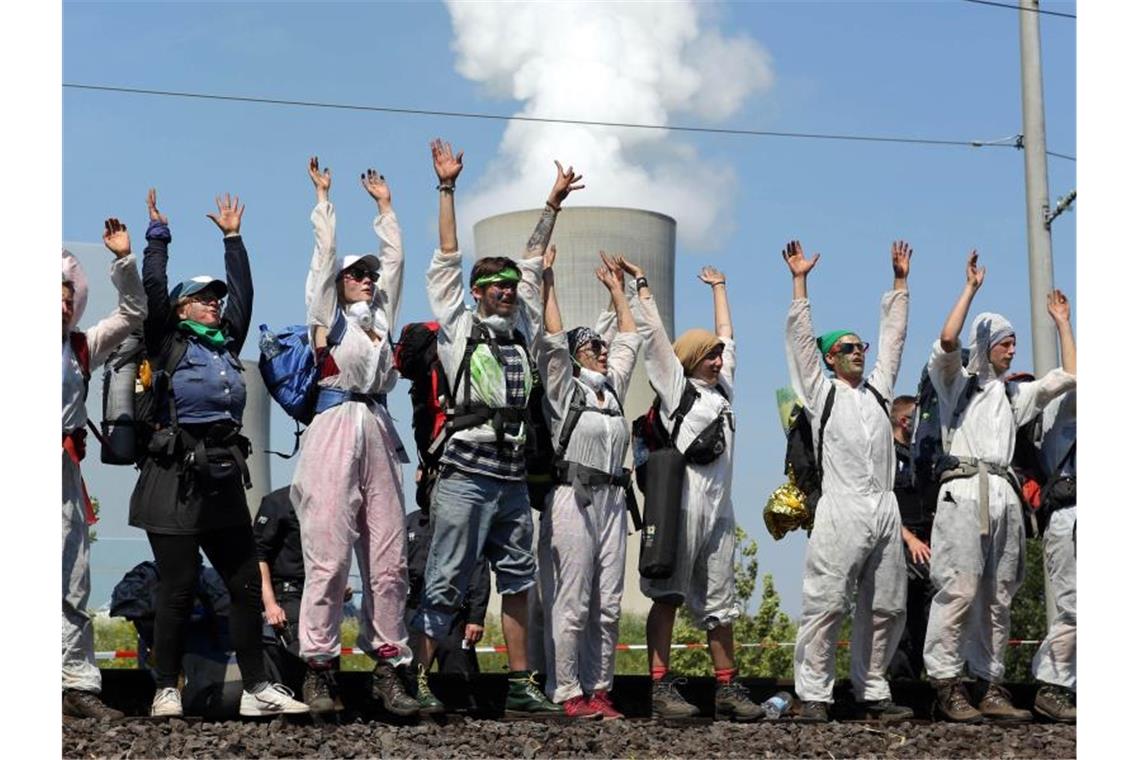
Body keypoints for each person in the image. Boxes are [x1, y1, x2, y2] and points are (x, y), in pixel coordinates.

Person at [409, 138, 581, 716]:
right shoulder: (458, 326)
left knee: (519, 578)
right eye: (497, 285)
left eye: (510, 285)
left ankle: (519, 682)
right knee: (446, 578)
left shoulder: (522, 329)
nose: (508, 290)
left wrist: (552, 204)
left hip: (511, 476)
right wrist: (447, 188)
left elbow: (533, 260)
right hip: (465, 472)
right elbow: (447, 255)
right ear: (478, 292)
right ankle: (418, 677)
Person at [129, 189, 308, 718]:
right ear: (183, 306)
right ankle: (166, 687)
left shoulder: (225, 343)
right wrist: (157, 238)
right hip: (173, 476)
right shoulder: (167, 341)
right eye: (203, 297)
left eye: (215, 297)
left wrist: (234, 238)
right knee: (178, 588)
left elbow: (244, 295)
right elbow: (154, 290)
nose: (214, 302)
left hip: (223, 475)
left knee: (246, 584)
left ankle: (257, 689)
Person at [289, 157, 419, 716]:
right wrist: (325, 200)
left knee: (389, 558)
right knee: (329, 555)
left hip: (378, 427)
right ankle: (318, 667)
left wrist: (386, 209)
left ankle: (389, 665)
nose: (365, 279)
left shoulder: (380, 321)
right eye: (356, 274)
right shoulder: (328, 316)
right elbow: (322, 263)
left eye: (368, 275)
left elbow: (396, 263)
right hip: (334, 426)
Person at [922, 252, 1075, 723]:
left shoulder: (1015, 394)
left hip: (1005, 495)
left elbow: (1070, 377)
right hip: (965, 490)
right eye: (1005, 343)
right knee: (959, 588)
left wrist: (1062, 324)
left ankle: (990, 683)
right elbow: (948, 339)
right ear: (986, 345)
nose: (1012, 350)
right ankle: (947, 683)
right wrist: (970, 289)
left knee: (998, 593)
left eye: (1014, 343)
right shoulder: (957, 384)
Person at [625, 255, 763, 722]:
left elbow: (729, 335)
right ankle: (660, 688)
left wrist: (719, 288)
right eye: (710, 355)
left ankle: (727, 687)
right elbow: (654, 335)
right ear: (691, 360)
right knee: (668, 596)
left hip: (721, 512)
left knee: (722, 602)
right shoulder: (674, 386)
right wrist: (641, 283)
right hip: (682, 508)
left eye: (718, 355)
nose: (719, 359)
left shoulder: (723, 391)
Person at [783, 239, 913, 723]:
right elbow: (801, 346)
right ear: (831, 358)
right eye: (848, 348)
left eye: (861, 347)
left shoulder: (878, 393)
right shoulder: (822, 395)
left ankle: (873, 691)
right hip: (840, 509)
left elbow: (895, 340)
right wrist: (801, 282)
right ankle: (814, 693)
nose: (859, 353)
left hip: (884, 509)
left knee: (885, 605)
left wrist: (899, 284)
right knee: (826, 603)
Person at [534, 249, 642, 719]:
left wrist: (619, 291)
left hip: (614, 500)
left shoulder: (612, 388)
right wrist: (550, 280)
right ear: (577, 357)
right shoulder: (566, 387)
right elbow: (554, 340)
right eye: (591, 347)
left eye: (602, 346)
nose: (601, 351)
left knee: (610, 601)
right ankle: (568, 690)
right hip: (572, 498)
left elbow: (631, 338)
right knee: (573, 596)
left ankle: (601, 690)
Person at [62, 224, 147, 720]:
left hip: (63, 473)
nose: (61, 302)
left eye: (67, 294)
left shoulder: (82, 347)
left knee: (72, 581)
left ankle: (75, 684)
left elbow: (133, 312)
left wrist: (124, 261)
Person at [1030, 384, 1076, 723]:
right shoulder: (1062, 415)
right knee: (1076, 607)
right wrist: (1063, 327)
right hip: (1070, 513)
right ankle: (1052, 685)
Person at [404, 508, 490, 681]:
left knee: (459, 679)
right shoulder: (409, 523)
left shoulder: (463, 524)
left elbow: (478, 570)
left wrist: (475, 618)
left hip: (454, 614)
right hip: (414, 610)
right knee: (409, 676)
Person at [886, 394, 936, 681]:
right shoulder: (888, 457)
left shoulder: (923, 458)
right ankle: (901, 682)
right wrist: (909, 540)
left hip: (927, 543)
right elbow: (886, 507)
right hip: (900, 542)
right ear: (905, 421)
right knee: (900, 617)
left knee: (926, 617)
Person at [253, 486, 307, 696]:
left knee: (324, 662)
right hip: (288, 595)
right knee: (297, 662)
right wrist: (270, 604)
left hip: (321, 595)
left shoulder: (329, 502)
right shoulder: (278, 502)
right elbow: (258, 554)